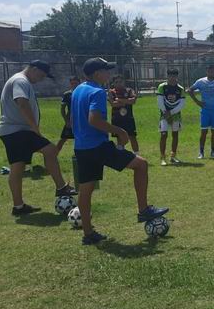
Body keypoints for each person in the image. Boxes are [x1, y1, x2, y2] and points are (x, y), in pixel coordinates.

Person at [71, 58, 167, 245]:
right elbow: (94, 120)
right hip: (97, 146)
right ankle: (143, 209)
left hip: (81, 147)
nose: (109, 74)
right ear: (97, 73)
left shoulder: (78, 90)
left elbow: (76, 120)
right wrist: (119, 131)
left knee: (86, 188)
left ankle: (88, 234)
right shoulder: (98, 92)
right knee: (141, 165)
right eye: (106, 70)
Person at [0, 60, 77, 216]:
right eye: (41, 75)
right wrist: (34, 128)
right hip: (18, 130)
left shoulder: (20, 80)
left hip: (12, 131)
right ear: (33, 69)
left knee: (18, 167)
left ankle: (18, 207)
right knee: (50, 150)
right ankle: (61, 188)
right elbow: (22, 103)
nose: (41, 79)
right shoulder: (21, 80)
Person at [188, 64, 214, 159]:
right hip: (205, 111)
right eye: (209, 71)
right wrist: (197, 102)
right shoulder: (201, 81)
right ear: (206, 71)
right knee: (204, 131)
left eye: (213, 71)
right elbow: (190, 90)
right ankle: (201, 152)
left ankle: (213, 151)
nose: (211, 72)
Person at [157, 68, 186, 166]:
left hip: (176, 115)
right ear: (167, 76)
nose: (172, 78)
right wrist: (166, 113)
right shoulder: (162, 87)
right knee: (164, 134)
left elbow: (182, 104)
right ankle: (162, 158)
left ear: (177, 76)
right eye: (170, 75)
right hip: (164, 114)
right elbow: (160, 102)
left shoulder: (181, 89)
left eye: (174, 76)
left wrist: (172, 113)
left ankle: (173, 156)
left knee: (175, 135)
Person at [108, 75, 139, 153]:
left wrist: (120, 100)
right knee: (119, 138)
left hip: (128, 118)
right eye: (116, 82)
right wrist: (126, 102)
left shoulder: (129, 90)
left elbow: (133, 101)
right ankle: (121, 155)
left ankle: (137, 154)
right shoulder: (111, 92)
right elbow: (113, 104)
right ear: (113, 83)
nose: (119, 84)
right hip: (117, 119)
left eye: (120, 82)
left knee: (132, 137)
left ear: (124, 82)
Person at [57, 75, 80, 152]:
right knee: (63, 138)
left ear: (79, 83)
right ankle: (54, 153)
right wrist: (66, 121)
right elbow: (62, 109)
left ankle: (78, 154)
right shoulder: (67, 94)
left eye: (76, 83)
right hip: (71, 119)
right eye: (72, 83)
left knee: (80, 138)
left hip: (81, 119)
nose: (74, 85)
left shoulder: (82, 93)